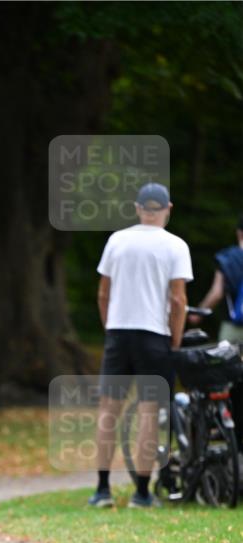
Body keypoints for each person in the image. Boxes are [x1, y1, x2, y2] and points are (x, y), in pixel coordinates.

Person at [89, 182, 193, 509]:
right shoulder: (175, 246)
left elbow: (103, 292)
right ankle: (142, 493)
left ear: (136, 208)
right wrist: (174, 340)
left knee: (108, 411)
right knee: (150, 413)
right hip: (154, 334)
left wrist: (110, 327)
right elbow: (178, 300)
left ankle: (102, 489)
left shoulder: (116, 241)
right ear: (168, 209)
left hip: (119, 333)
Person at [193, 217, 243, 344]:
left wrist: (199, 312)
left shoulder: (228, 258)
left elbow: (217, 293)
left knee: (229, 361)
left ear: (239, 232)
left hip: (233, 326)